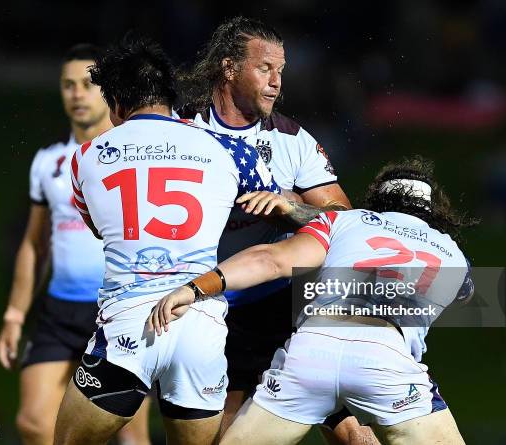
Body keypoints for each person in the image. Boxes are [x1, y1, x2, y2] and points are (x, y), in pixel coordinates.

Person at [54, 35, 314, 445]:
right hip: (200, 325)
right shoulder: (230, 150)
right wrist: (289, 203)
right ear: (170, 96)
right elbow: (270, 203)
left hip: (130, 325)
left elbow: (102, 228)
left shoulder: (87, 155)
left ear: (117, 105)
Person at [150, 156, 475, 445]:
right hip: (386, 358)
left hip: (312, 351)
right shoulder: (449, 249)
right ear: (433, 211)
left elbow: (271, 260)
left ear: (377, 199)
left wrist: (194, 288)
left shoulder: (346, 220)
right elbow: (464, 292)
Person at [178, 17, 373, 443]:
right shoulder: (181, 130)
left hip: (275, 303)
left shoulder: (291, 139)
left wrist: (291, 207)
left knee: (354, 436)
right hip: (202, 304)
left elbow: (344, 216)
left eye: (281, 71)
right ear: (229, 68)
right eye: (265, 68)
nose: (276, 82)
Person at [0, 44, 151, 445]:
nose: (77, 94)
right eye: (68, 85)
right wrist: (15, 315)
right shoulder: (48, 162)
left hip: (118, 310)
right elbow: (34, 244)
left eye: (87, 84)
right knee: (34, 423)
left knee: (129, 435)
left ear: (108, 91)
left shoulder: (139, 153)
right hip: (60, 313)